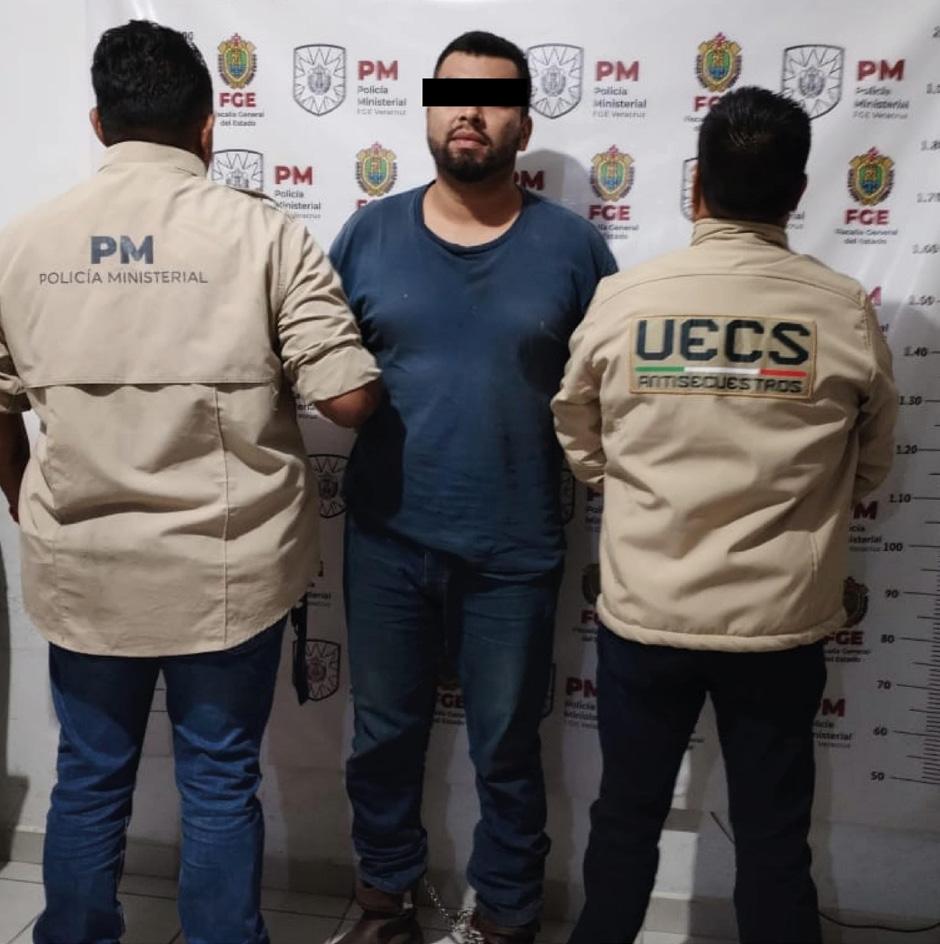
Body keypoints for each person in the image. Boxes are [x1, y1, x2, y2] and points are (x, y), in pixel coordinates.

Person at [0, 21, 380, 944]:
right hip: (225, 572)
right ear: (209, 127)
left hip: (85, 567)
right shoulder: (263, 233)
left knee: (89, 780)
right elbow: (350, 401)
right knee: (217, 782)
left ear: (99, 123)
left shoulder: (22, 243)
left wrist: (24, 498)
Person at [553, 86, 896, 944]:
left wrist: (629, 490)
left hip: (649, 614)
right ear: (798, 193)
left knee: (626, 819)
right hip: (779, 623)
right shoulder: (842, 308)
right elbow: (872, 460)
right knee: (775, 836)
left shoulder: (627, 299)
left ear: (696, 185)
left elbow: (577, 430)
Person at [329, 30, 617, 944]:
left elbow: (610, 395)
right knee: (382, 738)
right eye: (453, 95)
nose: (469, 113)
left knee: (506, 747)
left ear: (522, 125)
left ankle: (507, 917)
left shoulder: (574, 249)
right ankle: (384, 902)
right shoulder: (366, 236)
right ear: (427, 113)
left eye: (493, 99)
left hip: (515, 548)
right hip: (385, 537)